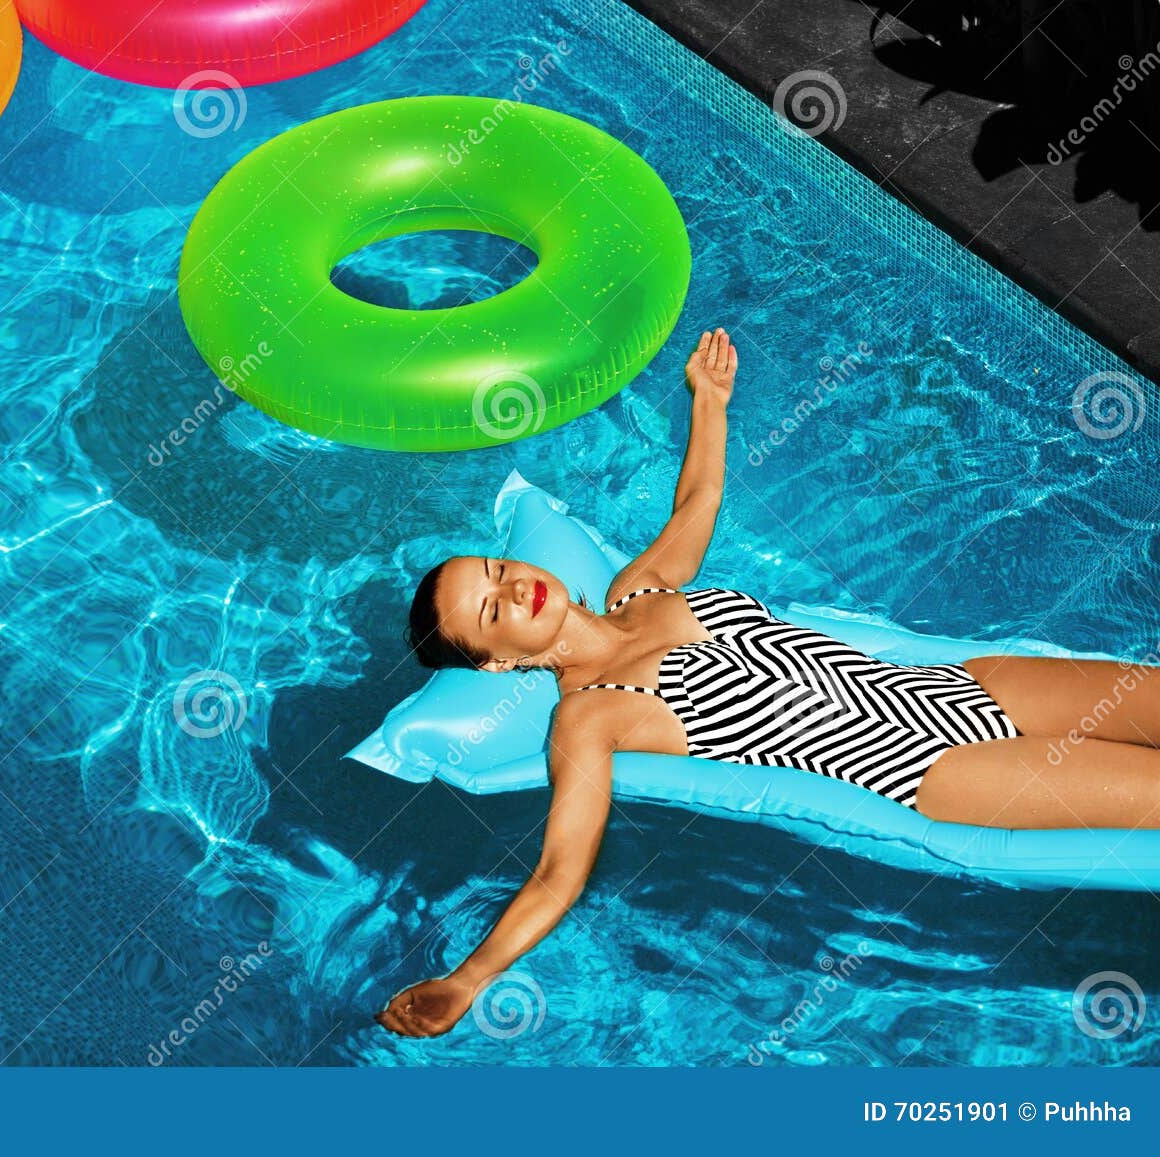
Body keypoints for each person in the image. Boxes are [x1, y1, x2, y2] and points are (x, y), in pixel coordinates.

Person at [375, 328, 1160, 1039]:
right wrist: (467, 981)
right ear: (500, 661)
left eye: (500, 570)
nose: (516, 588)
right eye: (492, 610)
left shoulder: (638, 587)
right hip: (931, 765)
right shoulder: (587, 720)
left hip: (955, 683)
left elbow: (698, 501)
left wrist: (709, 400)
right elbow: (558, 873)